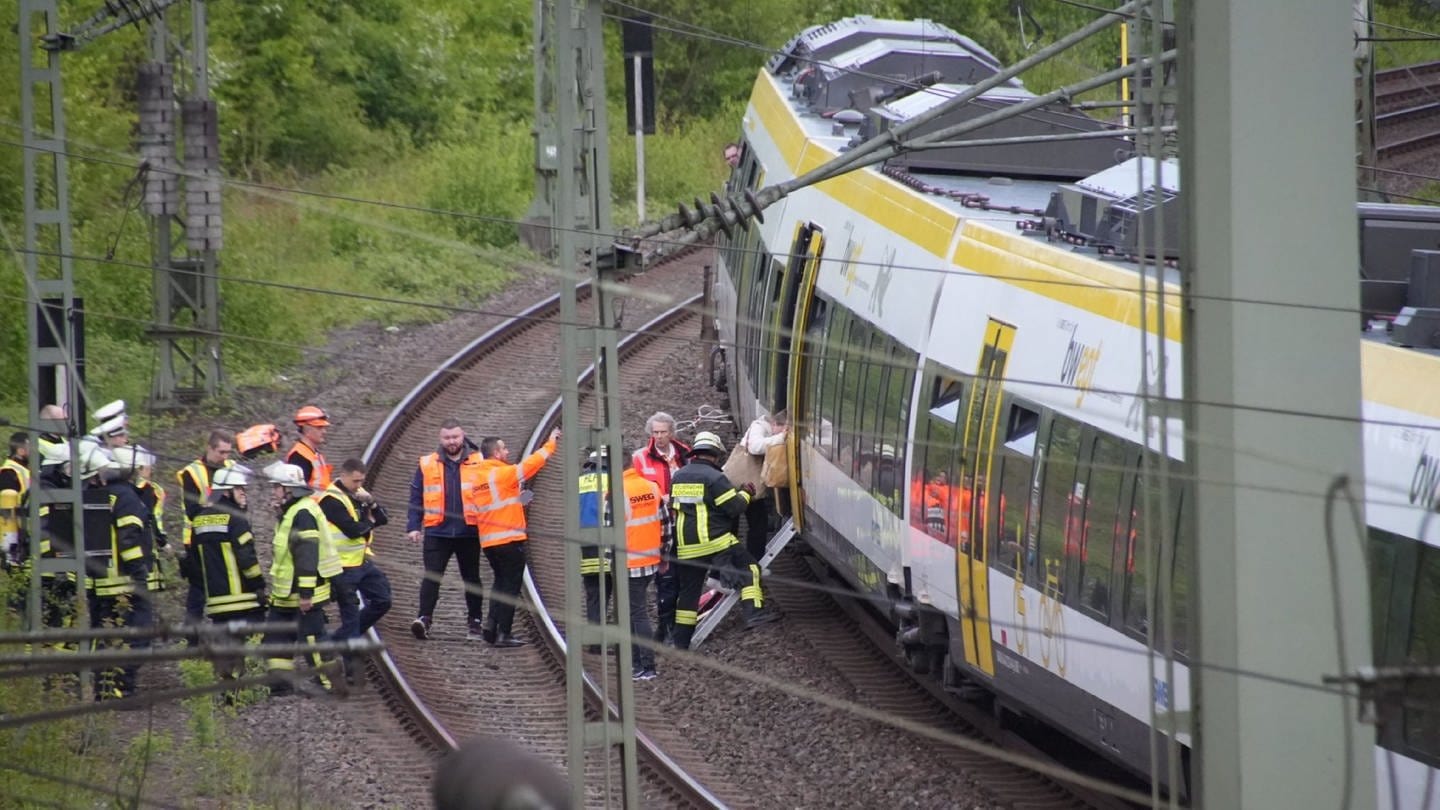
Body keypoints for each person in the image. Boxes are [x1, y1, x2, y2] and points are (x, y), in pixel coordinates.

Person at [669, 431, 778, 650]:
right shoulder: (715, 478)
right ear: (715, 455)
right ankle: (755, 614)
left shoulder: (679, 476)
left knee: (689, 594)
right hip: (716, 541)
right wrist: (746, 493)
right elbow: (734, 508)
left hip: (687, 546)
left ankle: (680, 641)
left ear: (695, 453)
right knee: (751, 569)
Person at [471, 428, 560, 647]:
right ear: (496, 453)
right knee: (510, 586)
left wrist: (523, 498)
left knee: (500, 583)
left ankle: (490, 627)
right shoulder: (502, 473)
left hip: (489, 542)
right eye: (504, 449)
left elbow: (500, 502)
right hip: (509, 540)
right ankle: (504, 633)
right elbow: (531, 464)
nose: (508, 452)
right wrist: (551, 443)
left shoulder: (479, 478)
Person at [262, 461, 341, 695]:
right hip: (285, 592)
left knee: (313, 640)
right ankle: (279, 684)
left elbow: (307, 555)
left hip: (304, 591)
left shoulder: (303, 513)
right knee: (276, 638)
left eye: (277, 487)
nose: (274, 492)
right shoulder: (291, 511)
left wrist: (306, 594)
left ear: (288, 489)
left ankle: (331, 683)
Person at [407, 420, 485, 641]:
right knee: (432, 577)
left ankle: (475, 622)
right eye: (447, 438)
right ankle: (424, 619)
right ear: (440, 439)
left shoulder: (479, 461)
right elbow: (416, 497)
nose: (452, 442)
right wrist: (413, 526)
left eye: (455, 437)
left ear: (463, 436)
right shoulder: (427, 463)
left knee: (471, 578)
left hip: (468, 531)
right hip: (437, 531)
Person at [89, 444, 154, 700]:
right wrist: (139, 575)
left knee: (107, 636)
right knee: (138, 637)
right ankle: (123, 689)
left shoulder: (101, 493)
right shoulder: (126, 497)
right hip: (124, 582)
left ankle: (104, 688)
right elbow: (129, 540)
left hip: (102, 581)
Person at [189, 466, 266, 678]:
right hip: (241, 597)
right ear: (226, 492)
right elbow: (247, 559)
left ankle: (225, 686)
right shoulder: (236, 518)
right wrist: (258, 584)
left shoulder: (199, 519)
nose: (244, 493)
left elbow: (193, 561)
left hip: (215, 598)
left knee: (223, 642)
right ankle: (241, 684)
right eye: (239, 489)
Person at [320, 458, 393, 681]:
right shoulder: (331, 500)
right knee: (351, 619)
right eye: (355, 481)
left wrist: (370, 503)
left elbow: (383, 518)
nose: (359, 485)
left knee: (383, 600)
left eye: (362, 481)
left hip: (361, 561)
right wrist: (368, 524)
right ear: (344, 476)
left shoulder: (358, 494)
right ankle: (352, 672)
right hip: (342, 567)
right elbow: (353, 530)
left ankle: (335, 641)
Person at [632, 412, 689, 644]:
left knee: (683, 576)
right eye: (655, 433)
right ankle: (665, 626)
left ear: (671, 432)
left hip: (684, 521)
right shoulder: (640, 458)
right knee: (664, 577)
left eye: (663, 432)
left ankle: (677, 627)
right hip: (658, 524)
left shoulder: (685, 454)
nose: (659, 437)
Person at [177, 429, 235, 621]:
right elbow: (192, 510)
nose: (225, 458)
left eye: (228, 453)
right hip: (197, 540)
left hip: (226, 537)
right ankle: (191, 640)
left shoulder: (231, 467)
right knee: (198, 592)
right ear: (209, 448)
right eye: (221, 452)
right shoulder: (191, 473)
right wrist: (215, 504)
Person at [618, 447, 665, 680]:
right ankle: (638, 665)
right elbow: (665, 524)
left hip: (629, 562)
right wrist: (664, 555)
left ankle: (646, 666)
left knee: (637, 614)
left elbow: (609, 534)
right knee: (636, 612)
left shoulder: (616, 493)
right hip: (651, 560)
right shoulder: (651, 487)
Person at [739, 409, 787, 561]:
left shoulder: (770, 430)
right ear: (774, 424)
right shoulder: (759, 427)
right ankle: (750, 564)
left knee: (758, 524)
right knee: (755, 524)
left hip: (752, 485)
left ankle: (753, 561)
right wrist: (782, 437)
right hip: (743, 482)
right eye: (783, 428)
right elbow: (755, 447)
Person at [0, 431, 31, 566]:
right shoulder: (9, 471)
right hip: (12, 530)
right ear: (21, 450)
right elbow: (6, 506)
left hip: (24, 527)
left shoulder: (25, 470)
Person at [286, 405, 333, 491]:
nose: (324, 431)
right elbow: (298, 492)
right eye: (319, 428)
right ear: (306, 430)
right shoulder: (298, 457)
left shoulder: (314, 453)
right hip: (312, 504)